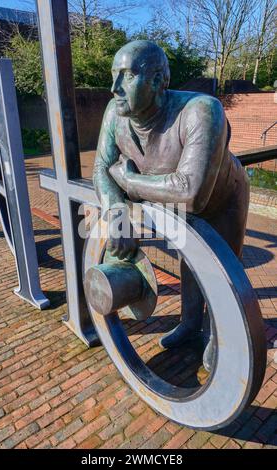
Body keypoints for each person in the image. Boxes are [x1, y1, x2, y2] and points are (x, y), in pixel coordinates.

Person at [93, 40, 250, 370]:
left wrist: (130, 182)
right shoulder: (114, 114)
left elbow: (192, 192)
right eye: (113, 75)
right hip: (175, 200)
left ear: (158, 80)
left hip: (222, 200)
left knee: (220, 270)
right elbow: (101, 167)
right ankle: (190, 324)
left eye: (127, 76)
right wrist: (117, 211)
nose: (114, 88)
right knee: (188, 260)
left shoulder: (202, 110)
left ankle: (216, 335)